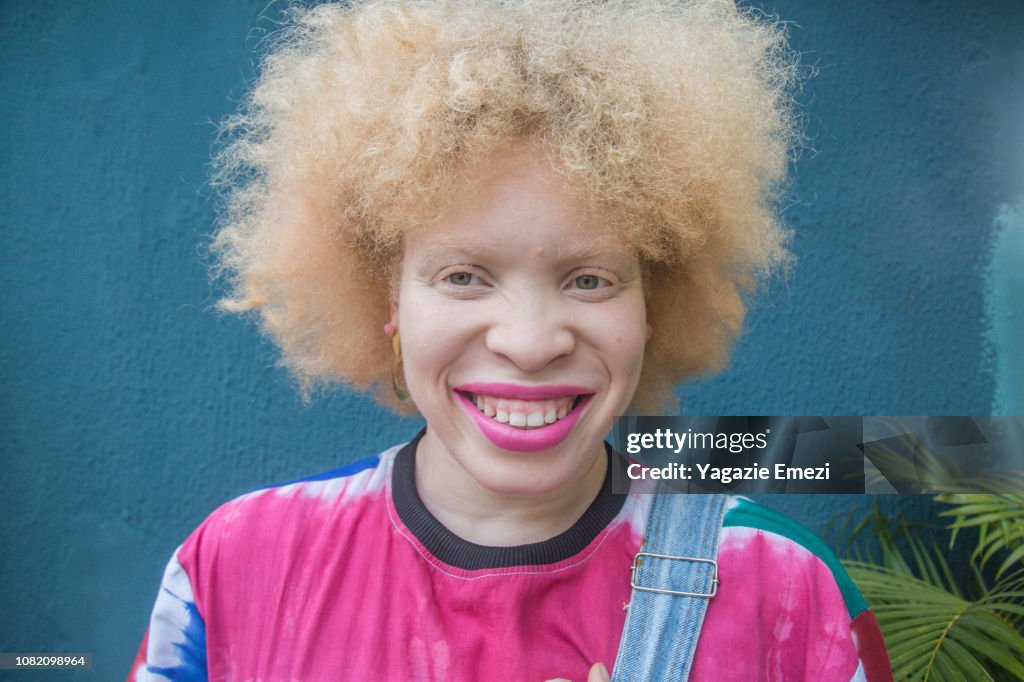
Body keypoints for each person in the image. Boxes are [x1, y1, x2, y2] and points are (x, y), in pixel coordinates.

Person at [130, 1, 891, 680]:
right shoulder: (235, 570)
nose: (529, 343)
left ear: (654, 305)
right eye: (463, 275)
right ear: (384, 297)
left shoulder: (781, 586)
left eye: (589, 279)